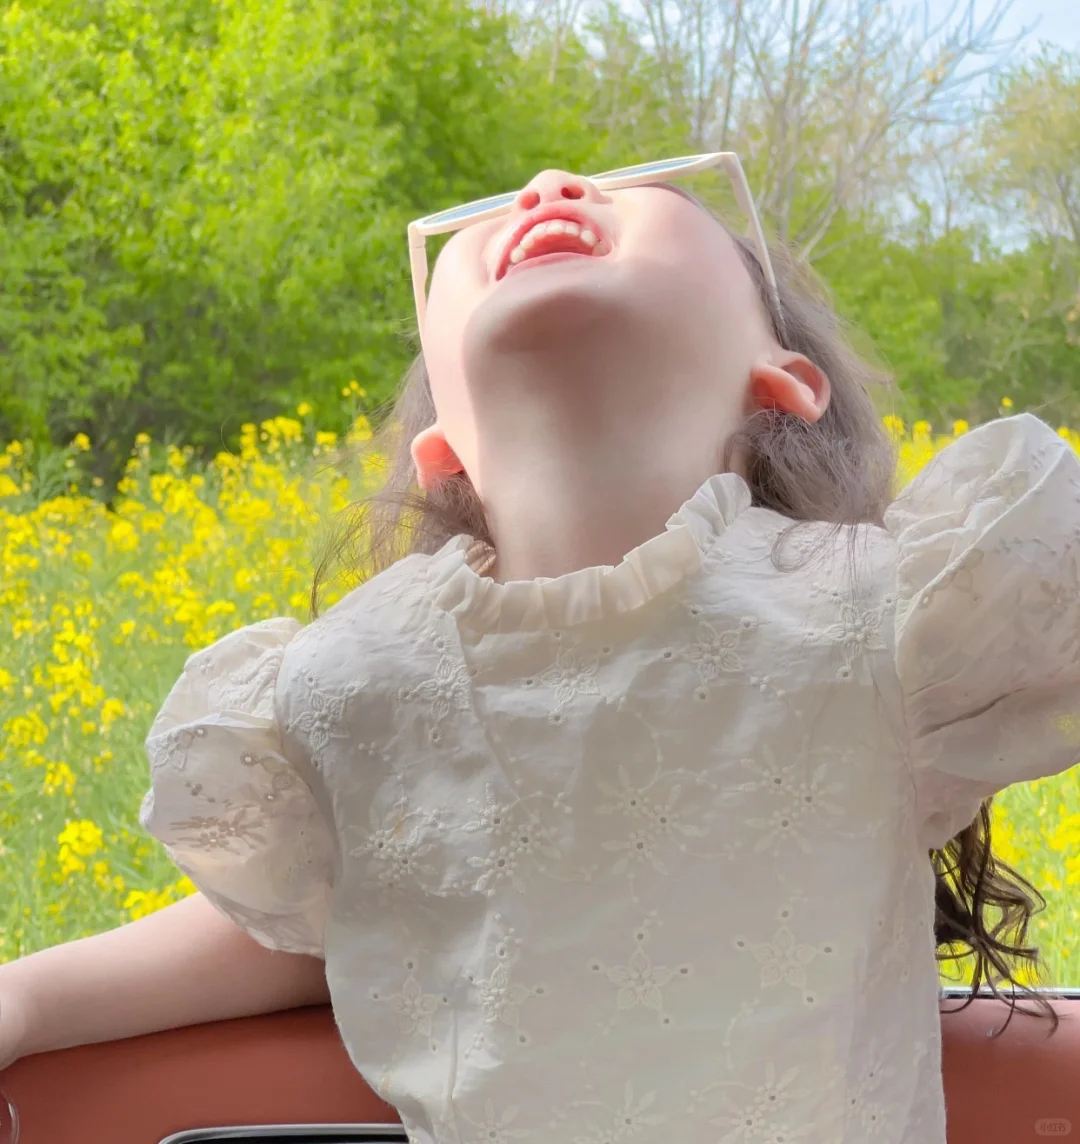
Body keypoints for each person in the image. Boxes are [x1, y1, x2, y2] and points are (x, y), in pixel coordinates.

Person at [1, 158, 1077, 1144]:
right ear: (445, 454)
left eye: (646, 192)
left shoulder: (887, 607)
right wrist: (30, 997)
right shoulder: (355, 680)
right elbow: (318, 922)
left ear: (783, 377)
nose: (550, 185)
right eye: (482, 222)